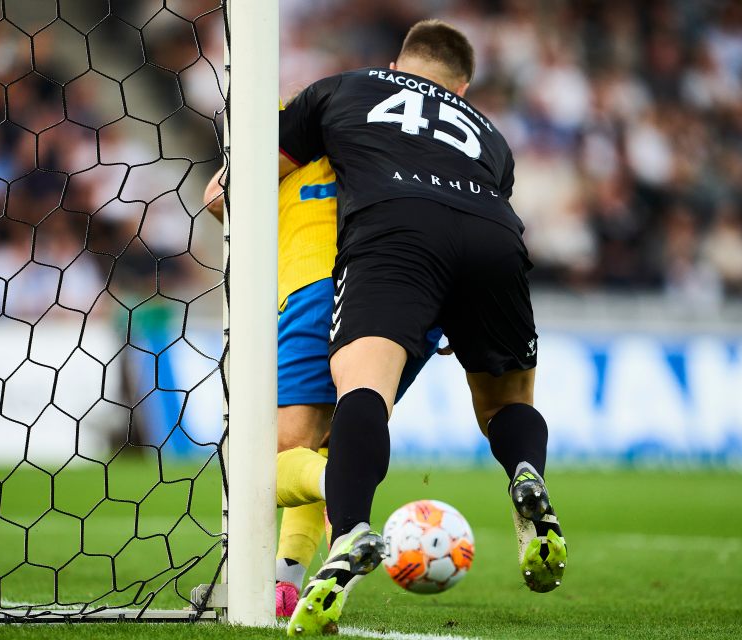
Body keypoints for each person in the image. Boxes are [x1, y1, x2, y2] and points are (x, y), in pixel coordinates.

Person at [278, 20, 567, 636]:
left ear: (399, 62)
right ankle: (526, 474)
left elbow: (261, 168)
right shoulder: (490, 136)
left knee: (362, 389)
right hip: (495, 237)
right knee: (506, 402)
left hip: (394, 230)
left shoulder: (345, 87)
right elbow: (471, 211)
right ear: (461, 86)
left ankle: (350, 528)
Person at [203, 141, 440, 618]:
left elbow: (216, 198)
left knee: (273, 461)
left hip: (314, 283)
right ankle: (289, 581)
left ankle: (344, 494)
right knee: (334, 434)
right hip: (399, 292)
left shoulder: (283, 123)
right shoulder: (398, 142)